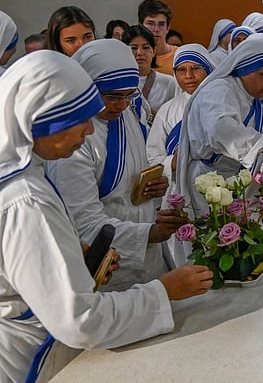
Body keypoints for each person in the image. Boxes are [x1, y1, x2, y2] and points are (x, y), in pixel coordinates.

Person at [0, 50, 212, 382]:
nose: (88, 129)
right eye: (78, 119)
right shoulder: (25, 200)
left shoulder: (22, 173)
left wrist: (72, 257)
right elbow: (78, 320)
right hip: (31, 354)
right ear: (39, 119)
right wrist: (163, 291)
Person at [46, 39, 186, 292]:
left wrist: (152, 187)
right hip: (110, 262)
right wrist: (149, 233)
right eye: (111, 97)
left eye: (128, 96)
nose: (121, 105)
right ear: (85, 89)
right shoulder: (73, 140)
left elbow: (129, 180)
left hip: (146, 249)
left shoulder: (126, 115)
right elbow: (84, 224)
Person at [174, 33, 263, 228]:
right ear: (244, 70)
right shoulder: (218, 90)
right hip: (211, 183)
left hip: (243, 182)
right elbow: (220, 130)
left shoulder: (258, 99)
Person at [146, 44, 215, 186]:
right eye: (182, 70)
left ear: (209, 69)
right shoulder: (167, 110)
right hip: (178, 189)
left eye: (196, 68)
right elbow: (152, 156)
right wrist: (173, 162)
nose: (189, 75)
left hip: (220, 189)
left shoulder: (223, 105)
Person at [124, 25, 176, 117]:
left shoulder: (169, 82)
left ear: (154, 51)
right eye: (134, 48)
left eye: (146, 47)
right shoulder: (118, 83)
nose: (139, 53)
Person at [138, 0, 178, 76]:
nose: (156, 29)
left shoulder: (179, 56)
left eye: (161, 24)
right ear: (141, 25)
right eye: (150, 23)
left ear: (168, 27)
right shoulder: (133, 56)